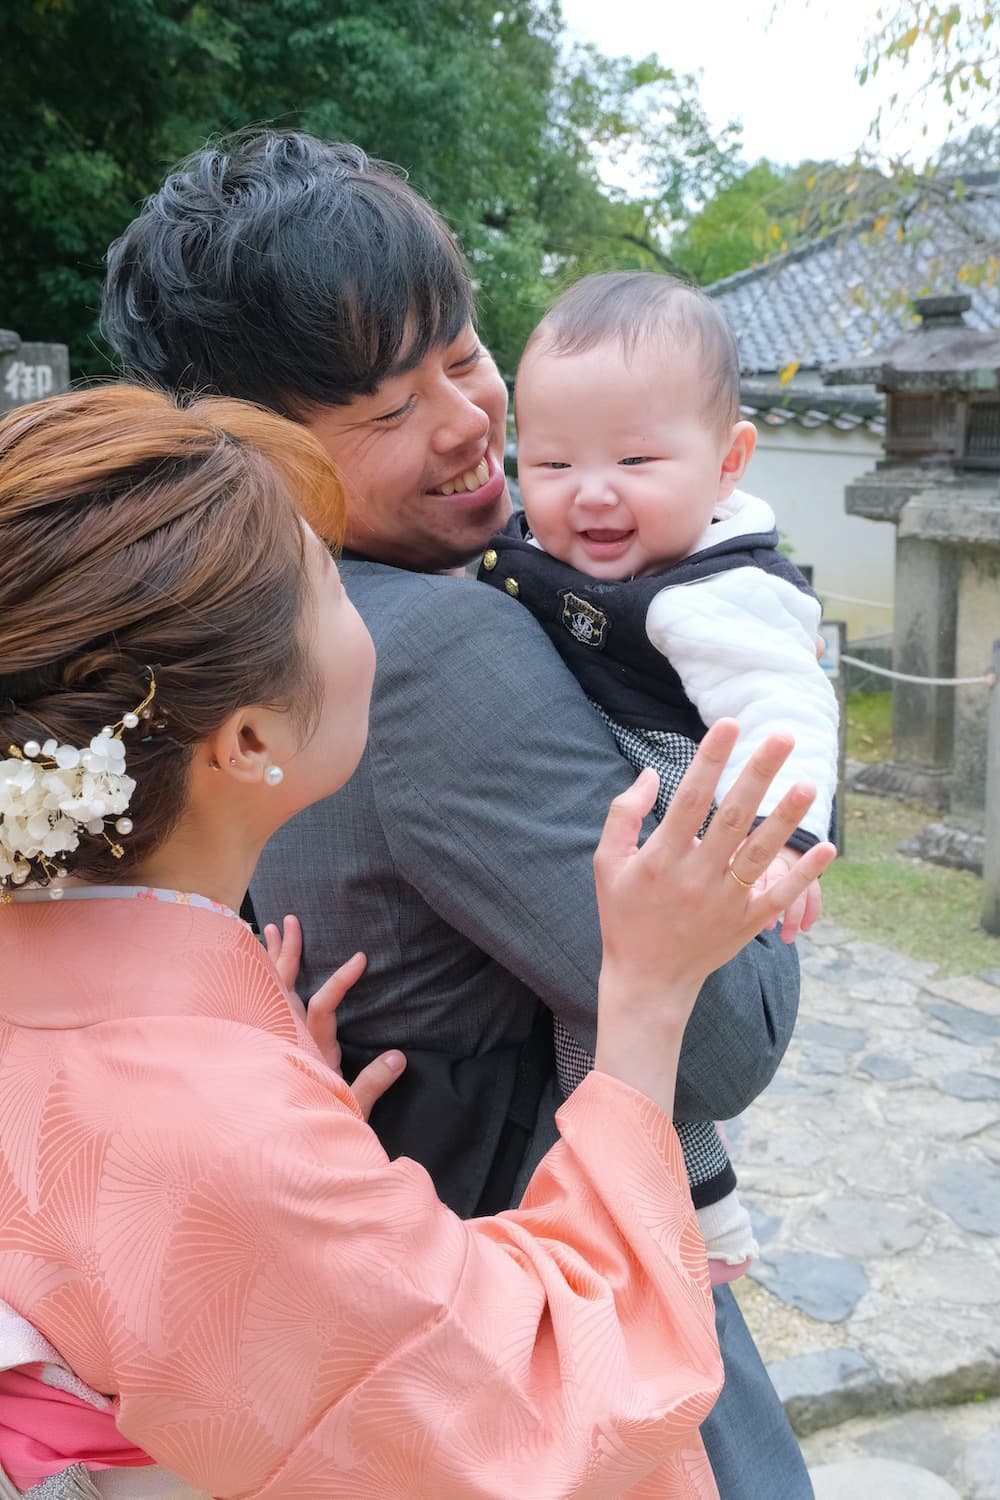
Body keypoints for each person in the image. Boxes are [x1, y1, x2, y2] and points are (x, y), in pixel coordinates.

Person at [102, 128, 818, 1497]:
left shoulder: (237, 632)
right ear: (257, 447)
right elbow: (723, 1040)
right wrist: (765, 858)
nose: (466, 419)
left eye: (462, 349)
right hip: (558, 1324)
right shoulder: (430, 647)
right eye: (386, 411)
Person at [478, 270, 840, 1282]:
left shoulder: (718, 592)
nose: (591, 491)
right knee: (592, 1024)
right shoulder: (548, 545)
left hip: (687, 800)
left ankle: (695, 1213)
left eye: (636, 459)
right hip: (616, 787)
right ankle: (688, 1202)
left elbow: (787, 709)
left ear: (727, 463)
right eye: (552, 461)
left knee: (611, 1026)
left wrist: (784, 839)